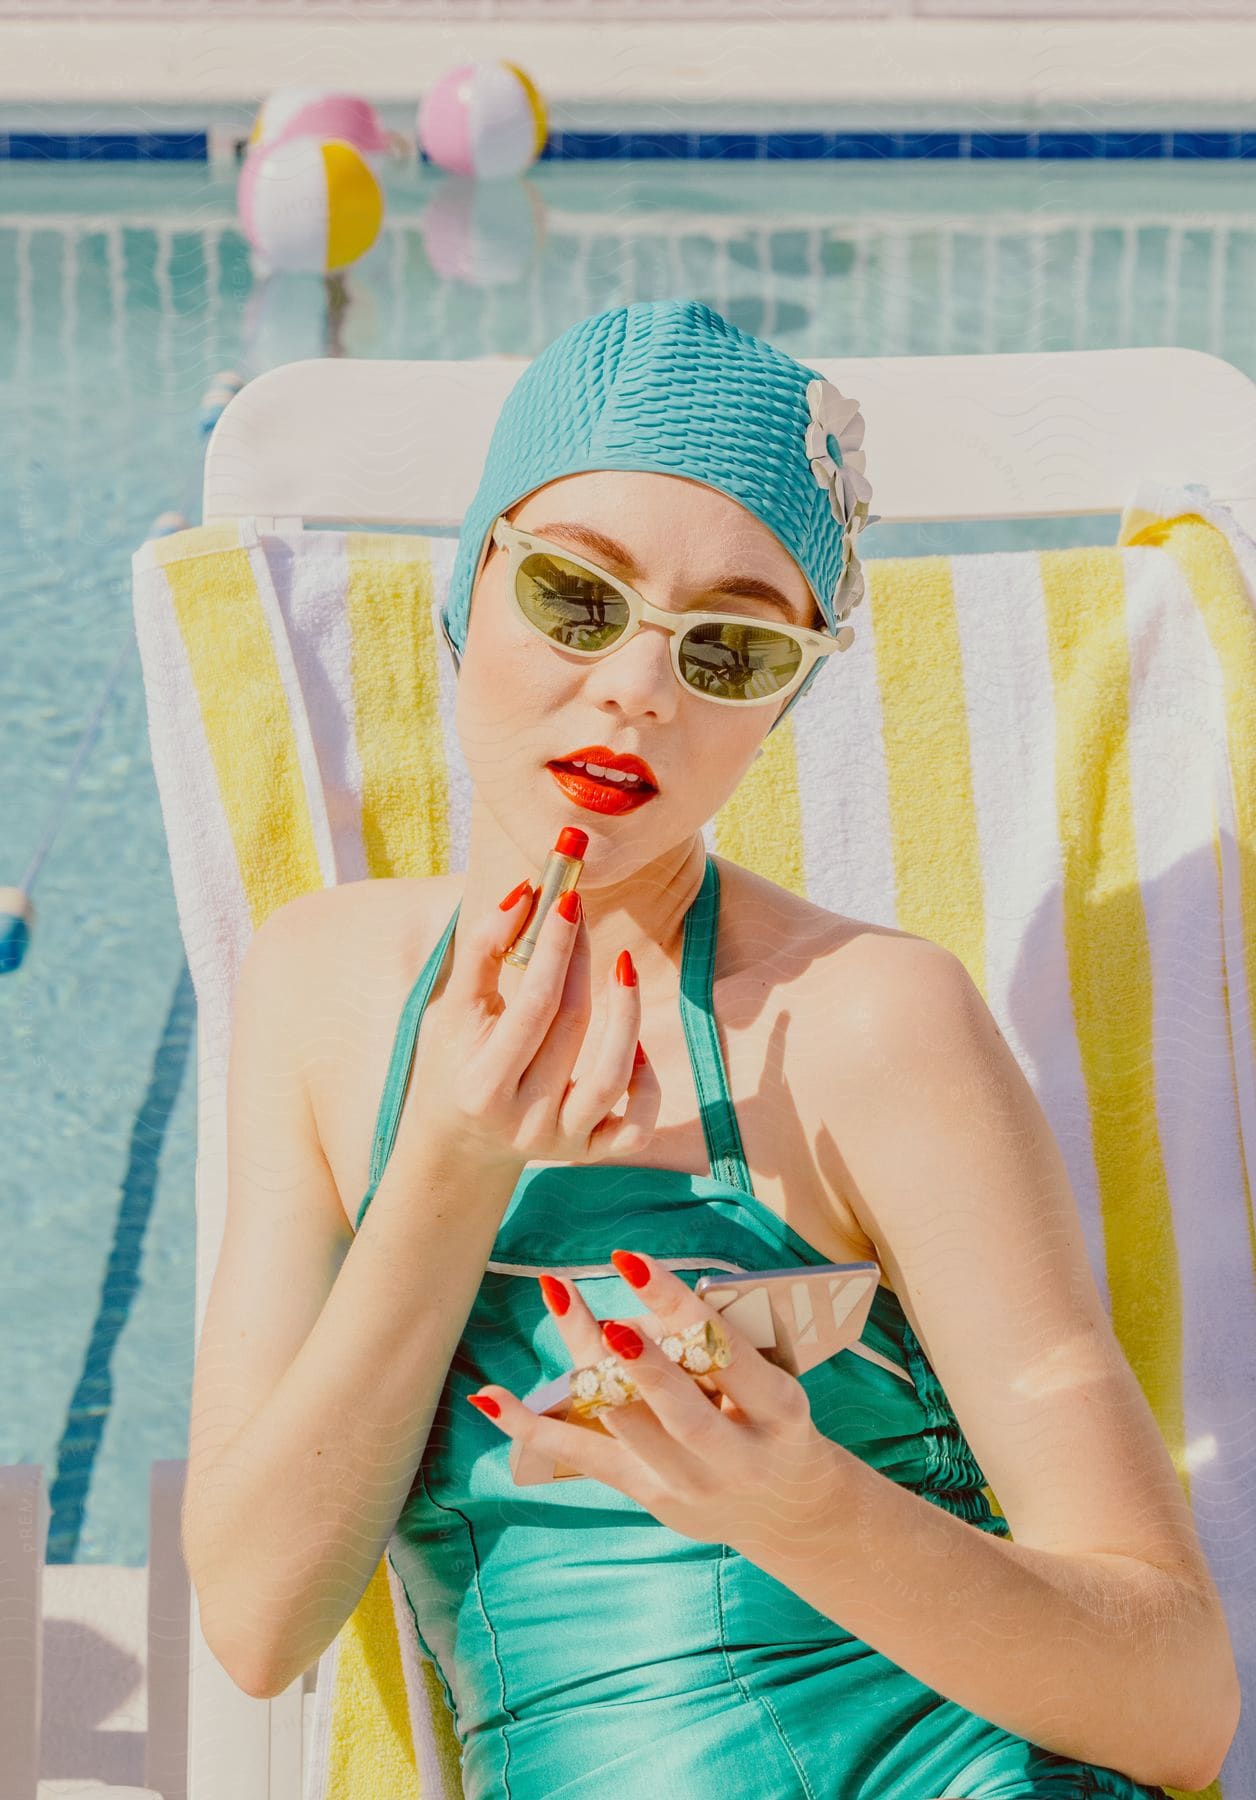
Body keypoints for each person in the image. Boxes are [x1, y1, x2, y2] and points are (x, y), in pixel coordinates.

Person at [183, 300, 1238, 1800]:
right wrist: (448, 1165)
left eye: (731, 648)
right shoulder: (323, 993)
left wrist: (803, 1506)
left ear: (783, 702)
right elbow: (254, 1617)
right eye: (576, 599)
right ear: (465, 590)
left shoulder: (868, 1025)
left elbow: (1179, 1698)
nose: (637, 687)